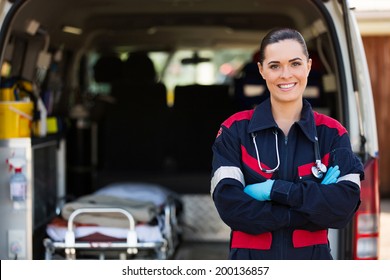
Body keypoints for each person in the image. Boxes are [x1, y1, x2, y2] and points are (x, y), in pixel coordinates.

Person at [210, 27, 363, 260]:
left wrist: (275, 190)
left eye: (295, 63)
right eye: (274, 66)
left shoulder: (332, 133)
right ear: (261, 70)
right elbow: (231, 207)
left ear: (309, 66)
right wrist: (311, 206)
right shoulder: (234, 130)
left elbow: (342, 209)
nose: (286, 74)